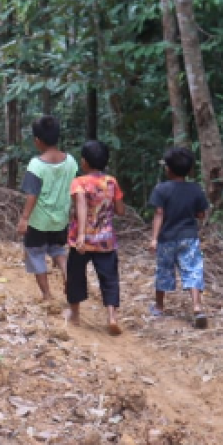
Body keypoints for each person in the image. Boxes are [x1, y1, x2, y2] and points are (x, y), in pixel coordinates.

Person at [16, 116, 78, 303]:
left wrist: (25, 218)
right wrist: (74, 210)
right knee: (58, 250)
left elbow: (32, 194)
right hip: (60, 220)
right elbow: (75, 189)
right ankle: (68, 276)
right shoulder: (71, 162)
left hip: (38, 222)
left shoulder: (36, 165)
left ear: (37, 141)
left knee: (35, 254)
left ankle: (47, 295)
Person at [148, 147, 211, 328]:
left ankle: (159, 306)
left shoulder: (161, 189)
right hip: (189, 237)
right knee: (192, 270)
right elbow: (201, 214)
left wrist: (154, 238)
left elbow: (159, 214)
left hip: (167, 238)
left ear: (168, 169)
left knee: (164, 270)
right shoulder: (195, 189)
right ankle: (197, 306)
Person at [67, 140, 125, 335]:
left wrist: (82, 234)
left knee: (75, 276)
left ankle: (74, 314)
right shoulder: (111, 182)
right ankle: (112, 316)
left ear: (84, 162)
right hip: (106, 241)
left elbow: (81, 207)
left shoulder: (79, 183)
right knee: (109, 278)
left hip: (81, 241)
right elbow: (120, 210)